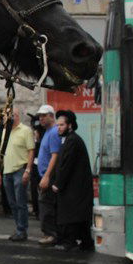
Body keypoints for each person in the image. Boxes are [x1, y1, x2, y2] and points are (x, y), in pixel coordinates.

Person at [52, 111, 95, 251]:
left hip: (74, 188)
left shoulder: (72, 140)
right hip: (76, 188)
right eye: (57, 125)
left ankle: (70, 242)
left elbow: (66, 165)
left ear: (70, 125)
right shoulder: (70, 139)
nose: (58, 127)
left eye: (62, 125)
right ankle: (85, 241)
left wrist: (58, 184)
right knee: (79, 215)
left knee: (71, 214)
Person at [1, 108, 35, 242]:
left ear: (17, 116)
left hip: (19, 170)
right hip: (7, 171)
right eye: (7, 115)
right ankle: (18, 228)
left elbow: (31, 151)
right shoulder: (4, 131)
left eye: (12, 115)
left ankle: (22, 230)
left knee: (20, 203)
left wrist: (28, 170)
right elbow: (2, 153)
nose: (9, 117)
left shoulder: (25, 130)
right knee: (12, 203)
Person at [35, 104, 61, 246]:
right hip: (45, 175)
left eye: (44, 116)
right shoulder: (48, 132)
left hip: (48, 176)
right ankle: (49, 233)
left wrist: (46, 176)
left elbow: (55, 156)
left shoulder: (53, 132)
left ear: (52, 116)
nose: (41, 118)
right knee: (45, 205)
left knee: (46, 206)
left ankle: (51, 234)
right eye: (40, 116)